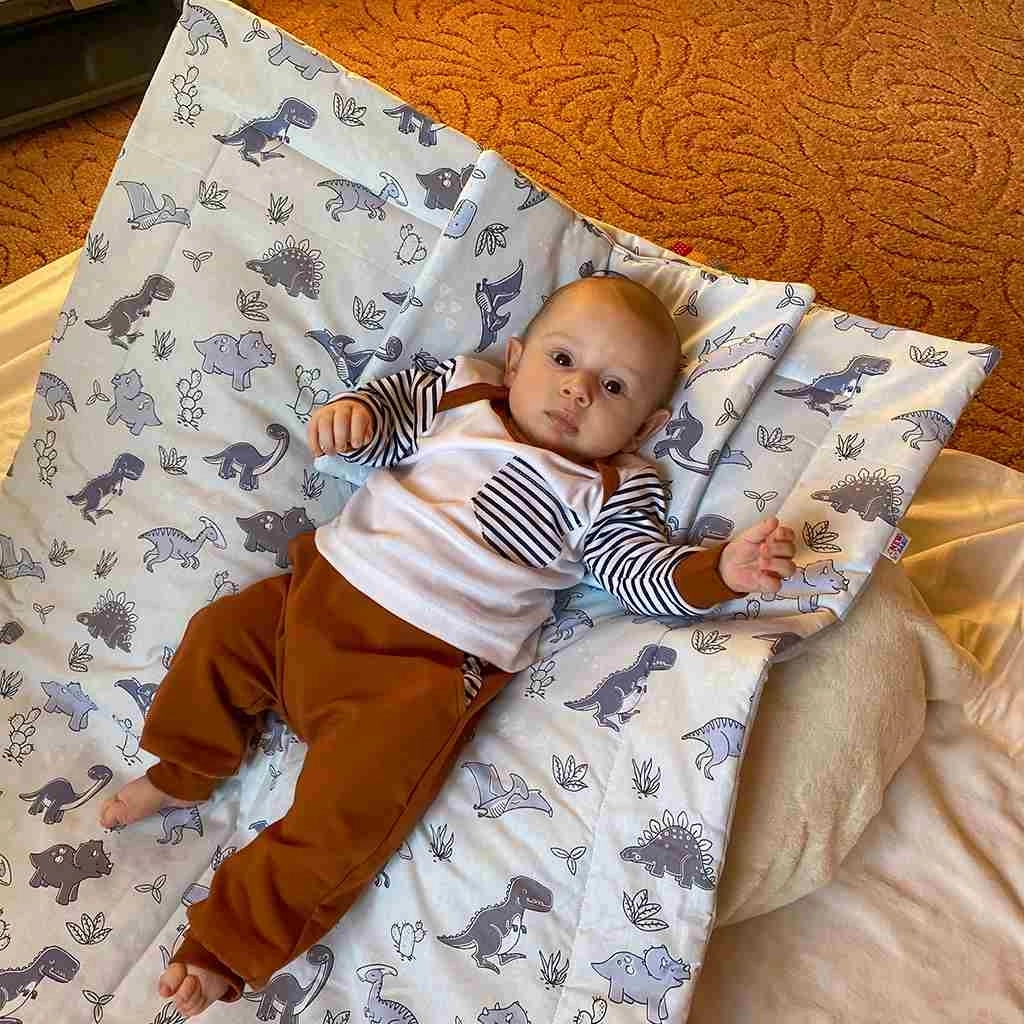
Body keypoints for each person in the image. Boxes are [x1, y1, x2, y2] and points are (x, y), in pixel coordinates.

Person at [98, 275, 797, 1017]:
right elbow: (383, 419)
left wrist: (718, 573)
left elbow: (641, 573)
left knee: (351, 817)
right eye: (563, 360)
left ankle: (226, 944)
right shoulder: (461, 391)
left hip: (419, 677)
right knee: (218, 635)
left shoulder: (614, 487)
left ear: (646, 426)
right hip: (311, 601)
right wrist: (354, 416)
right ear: (517, 359)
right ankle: (183, 769)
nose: (579, 391)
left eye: (614, 386)